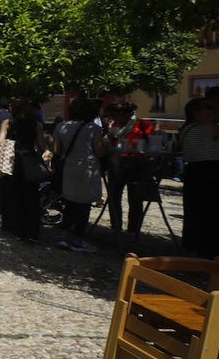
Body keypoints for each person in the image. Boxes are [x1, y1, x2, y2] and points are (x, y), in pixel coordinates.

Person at [177, 97, 219, 258]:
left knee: (199, 213)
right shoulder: (203, 129)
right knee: (217, 214)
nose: (213, 112)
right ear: (196, 112)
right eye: (208, 108)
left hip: (197, 173)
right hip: (211, 173)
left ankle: (200, 249)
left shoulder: (188, 128)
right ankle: (217, 253)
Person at [53, 97, 106, 252]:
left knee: (69, 203)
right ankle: (79, 240)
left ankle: (64, 236)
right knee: (84, 206)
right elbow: (99, 151)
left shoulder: (61, 127)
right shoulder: (94, 129)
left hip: (69, 167)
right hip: (87, 168)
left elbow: (57, 150)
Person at [0, 99, 48, 242]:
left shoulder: (7, 123)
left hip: (13, 162)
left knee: (14, 196)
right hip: (30, 161)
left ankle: (18, 230)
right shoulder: (36, 125)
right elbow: (42, 146)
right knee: (32, 197)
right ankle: (33, 232)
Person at [103, 101, 158, 239]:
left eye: (114, 115)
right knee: (114, 196)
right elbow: (111, 145)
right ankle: (116, 227)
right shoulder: (114, 126)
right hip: (117, 163)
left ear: (125, 114)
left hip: (136, 164)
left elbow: (154, 144)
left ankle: (133, 230)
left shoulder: (143, 125)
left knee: (135, 199)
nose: (112, 118)